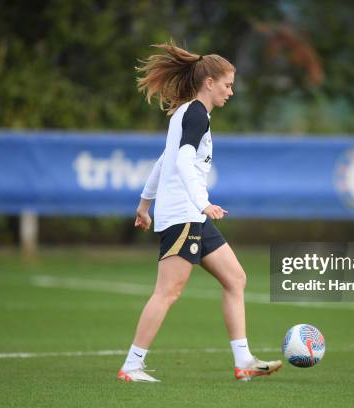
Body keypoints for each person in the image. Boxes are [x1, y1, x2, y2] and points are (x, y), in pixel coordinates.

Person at [118, 41, 282, 383]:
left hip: (191, 215)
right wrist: (202, 202)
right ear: (209, 82)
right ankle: (132, 366)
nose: (231, 92)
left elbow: (165, 160)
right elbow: (179, 161)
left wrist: (144, 204)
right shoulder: (194, 114)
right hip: (183, 215)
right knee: (168, 292)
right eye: (227, 84)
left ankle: (243, 361)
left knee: (235, 278)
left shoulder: (189, 113)